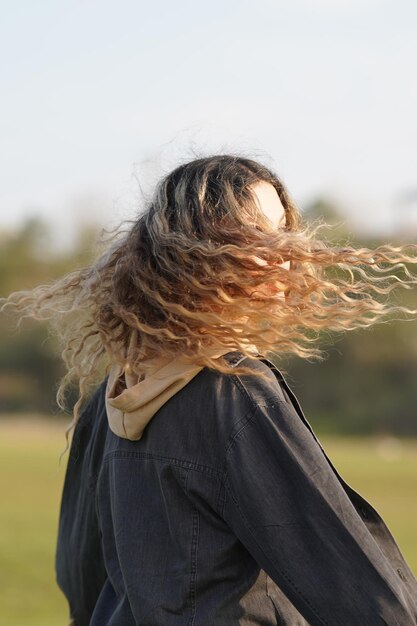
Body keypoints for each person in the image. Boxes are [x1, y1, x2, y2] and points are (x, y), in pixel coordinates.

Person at [2, 154, 417, 625]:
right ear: (203, 252)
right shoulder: (233, 393)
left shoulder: (111, 394)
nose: (289, 251)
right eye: (262, 234)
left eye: (285, 230)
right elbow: (357, 584)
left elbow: (80, 577)